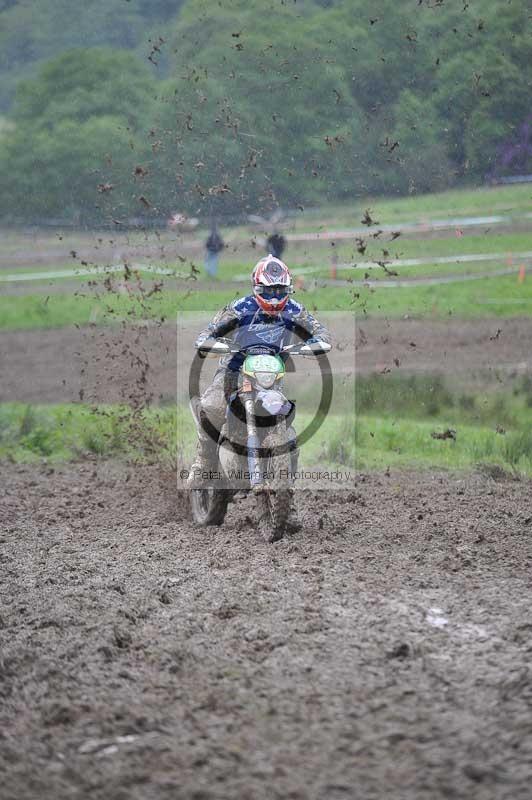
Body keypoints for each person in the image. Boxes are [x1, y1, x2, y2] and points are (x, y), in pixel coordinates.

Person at [189, 255, 331, 526]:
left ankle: (285, 506)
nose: (275, 296)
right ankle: (204, 463)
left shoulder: (295, 310)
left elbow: (321, 334)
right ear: (257, 288)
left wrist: (313, 345)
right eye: (269, 291)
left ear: (287, 289)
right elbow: (207, 333)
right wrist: (212, 342)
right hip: (233, 371)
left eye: (280, 291)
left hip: (268, 378)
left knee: (288, 437)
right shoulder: (240, 307)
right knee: (212, 408)